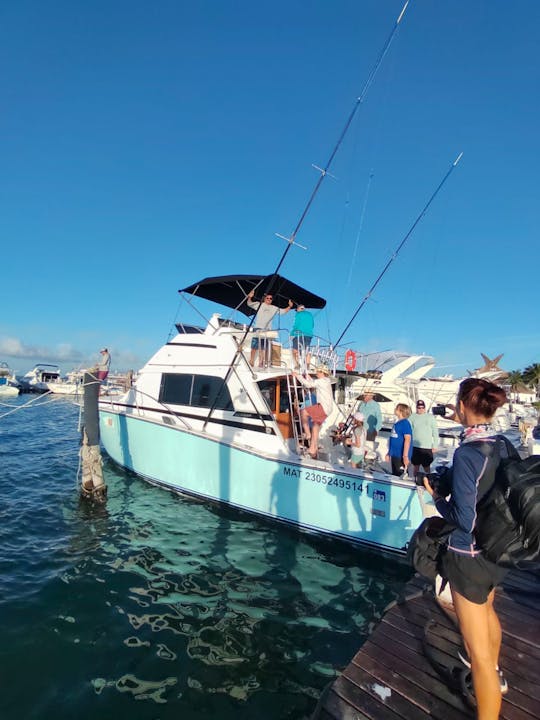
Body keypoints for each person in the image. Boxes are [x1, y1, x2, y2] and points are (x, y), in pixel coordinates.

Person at [423, 378, 510, 720]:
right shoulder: (501, 444)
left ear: (462, 406)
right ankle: (496, 676)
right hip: (496, 551)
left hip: (468, 557)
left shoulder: (466, 453)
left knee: (478, 657)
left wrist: (436, 497)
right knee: (488, 613)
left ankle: (488, 689)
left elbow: (463, 518)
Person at [294, 365, 334, 458]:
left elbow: (308, 385)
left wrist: (297, 376)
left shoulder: (321, 381)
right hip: (328, 408)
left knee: (303, 412)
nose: (317, 373)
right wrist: (309, 378)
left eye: (318, 372)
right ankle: (313, 448)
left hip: (323, 407)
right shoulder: (326, 380)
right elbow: (315, 383)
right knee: (315, 427)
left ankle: (307, 434)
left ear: (321, 373)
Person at [247, 290, 293, 367]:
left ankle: (261, 362)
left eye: (270, 298)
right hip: (257, 328)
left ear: (272, 300)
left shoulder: (274, 308)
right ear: (264, 299)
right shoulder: (259, 304)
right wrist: (249, 297)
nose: (269, 299)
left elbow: (283, 311)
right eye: (267, 298)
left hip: (267, 330)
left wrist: (290, 306)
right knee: (254, 346)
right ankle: (251, 360)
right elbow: (249, 304)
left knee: (263, 347)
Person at [410, 399, 439, 478]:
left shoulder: (430, 417)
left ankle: (429, 480)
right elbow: (409, 430)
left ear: (425, 408)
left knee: (426, 466)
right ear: (416, 408)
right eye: (419, 407)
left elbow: (435, 432)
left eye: (422, 407)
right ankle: (415, 479)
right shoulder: (412, 416)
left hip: (427, 446)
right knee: (416, 466)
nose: (421, 409)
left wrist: (435, 445)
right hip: (415, 446)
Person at [386, 403, 412, 476]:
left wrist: (405, 456)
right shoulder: (397, 423)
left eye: (396, 408)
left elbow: (407, 439)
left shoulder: (405, 423)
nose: (395, 409)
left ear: (401, 411)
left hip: (401, 455)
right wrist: (389, 453)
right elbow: (393, 440)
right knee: (395, 474)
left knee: (400, 474)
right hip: (394, 454)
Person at [290, 304, 314, 369]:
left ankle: (297, 365)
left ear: (298, 309)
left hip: (299, 334)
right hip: (309, 335)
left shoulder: (298, 314)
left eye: (296, 310)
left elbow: (296, 325)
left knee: (295, 350)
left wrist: (291, 334)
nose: (296, 311)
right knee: (306, 350)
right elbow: (312, 325)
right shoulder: (310, 314)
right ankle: (307, 365)